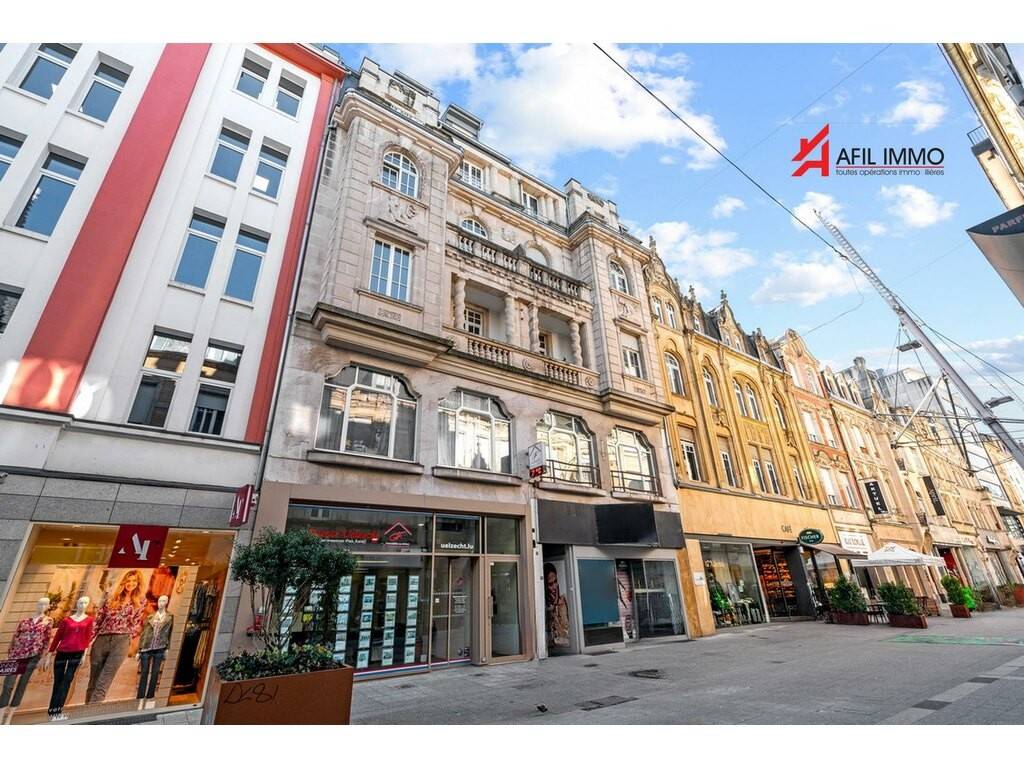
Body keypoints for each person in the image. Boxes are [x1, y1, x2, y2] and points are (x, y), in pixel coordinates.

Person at [86, 569, 146, 704]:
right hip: (102, 639)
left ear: (138, 583)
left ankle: (90, 714)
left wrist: (128, 639)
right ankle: (86, 710)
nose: (131, 584)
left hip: (121, 641)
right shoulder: (110, 596)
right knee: (93, 681)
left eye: (134, 581)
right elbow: (99, 619)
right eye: (128, 580)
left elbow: (136, 623)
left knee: (103, 682)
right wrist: (88, 641)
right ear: (123, 581)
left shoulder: (141, 601)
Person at [543, 563, 569, 649]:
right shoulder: (543, 604)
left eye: (555, 582)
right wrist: (553, 605)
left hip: (565, 645)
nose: (554, 587)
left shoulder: (564, 600)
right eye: (550, 584)